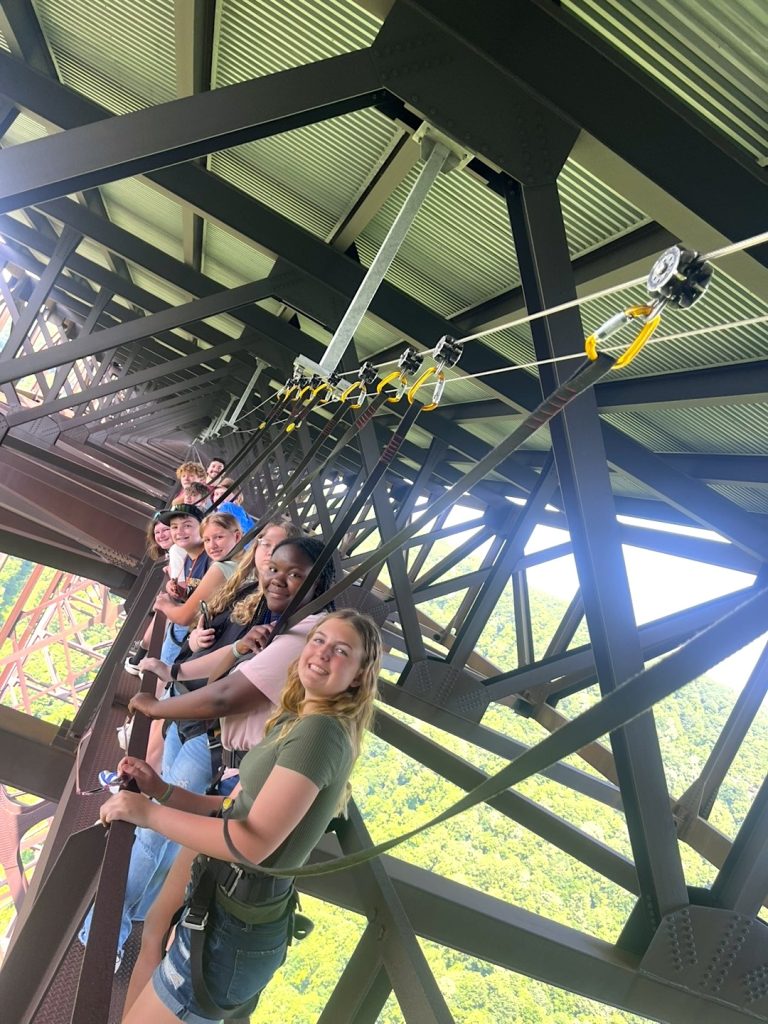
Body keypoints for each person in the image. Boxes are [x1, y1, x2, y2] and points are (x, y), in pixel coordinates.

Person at [102, 610, 382, 1024]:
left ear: (359, 675)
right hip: (225, 912)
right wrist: (161, 792)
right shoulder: (299, 717)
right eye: (318, 640)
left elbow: (252, 841)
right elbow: (235, 807)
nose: (321, 654)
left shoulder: (320, 733)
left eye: (341, 651)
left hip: (231, 934)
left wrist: (147, 814)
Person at [81, 535, 335, 967]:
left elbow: (225, 698)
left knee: (154, 832)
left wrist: (158, 704)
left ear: (321, 581)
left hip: (215, 746)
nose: (278, 580)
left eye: (296, 574)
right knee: (163, 834)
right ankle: (130, 916)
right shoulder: (284, 622)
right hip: (211, 741)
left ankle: (104, 934)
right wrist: (196, 663)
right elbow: (227, 670)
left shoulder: (302, 637)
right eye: (275, 568)